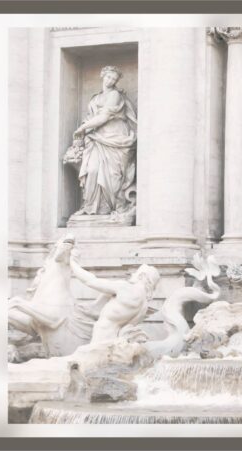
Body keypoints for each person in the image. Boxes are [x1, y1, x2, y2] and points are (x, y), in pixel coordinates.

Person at [72, 65, 137, 217]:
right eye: (109, 77)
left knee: (113, 176)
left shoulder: (115, 95)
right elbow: (91, 117)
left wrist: (82, 129)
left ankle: (109, 208)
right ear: (103, 76)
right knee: (93, 170)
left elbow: (104, 117)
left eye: (114, 79)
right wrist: (85, 129)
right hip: (97, 138)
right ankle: (90, 206)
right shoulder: (95, 98)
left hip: (115, 137)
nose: (110, 80)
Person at [69, 254, 160, 344]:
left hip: (101, 341)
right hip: (115, 343)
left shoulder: (126, 288)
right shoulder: (144, 306)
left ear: (142, 276)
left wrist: (72, 263)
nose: (133, 274)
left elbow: (90, 281)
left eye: (136, 273)